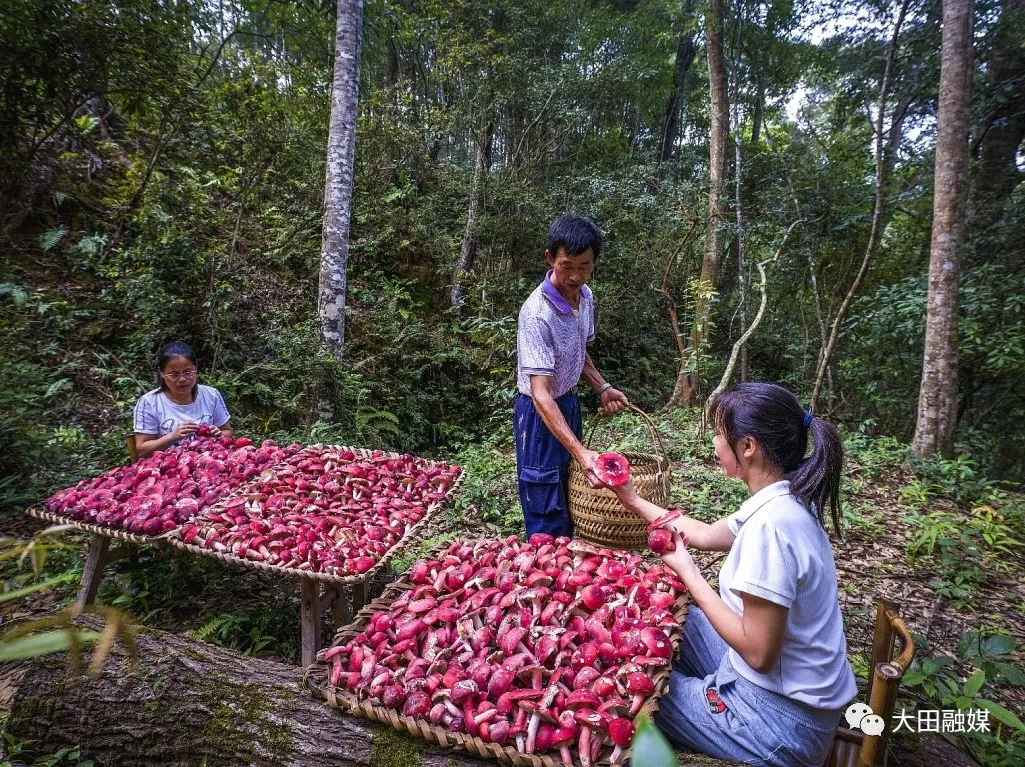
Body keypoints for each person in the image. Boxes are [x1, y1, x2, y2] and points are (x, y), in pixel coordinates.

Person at [609, 382, 856, 767]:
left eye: (719, 433)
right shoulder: (781, 499)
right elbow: (705, 535)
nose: (713, 442)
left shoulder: (772, 529)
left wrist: (688, 571)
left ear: (748, 447)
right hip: (780, 691)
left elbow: (759, 653)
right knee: (673, 618)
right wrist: (630, 496)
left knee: (625, 687)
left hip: (779, 721)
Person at [514, 213, 630, 539]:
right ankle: (542, 566)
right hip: (539, 414)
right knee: (544, 492)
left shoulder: (586, 297)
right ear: (550, 258)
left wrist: (602, 386)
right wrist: (581, 452)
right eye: (567, 265)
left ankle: (566, 562)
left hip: (568, 402)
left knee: (569, 487)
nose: (575, 276)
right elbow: (540, 393)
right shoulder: (537, 314)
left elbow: (579, 350)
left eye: (585, 266)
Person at [133, 342, 233, 459]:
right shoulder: (149, 403)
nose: (182, 379)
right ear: (162, 374)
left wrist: (218, 435)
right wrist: (172, 436)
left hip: (208, 461)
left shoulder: (211, 395)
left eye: (188, 372)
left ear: (196, 369)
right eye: (174, 374)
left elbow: (228, 432)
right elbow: (142, 450)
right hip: (169, 469)